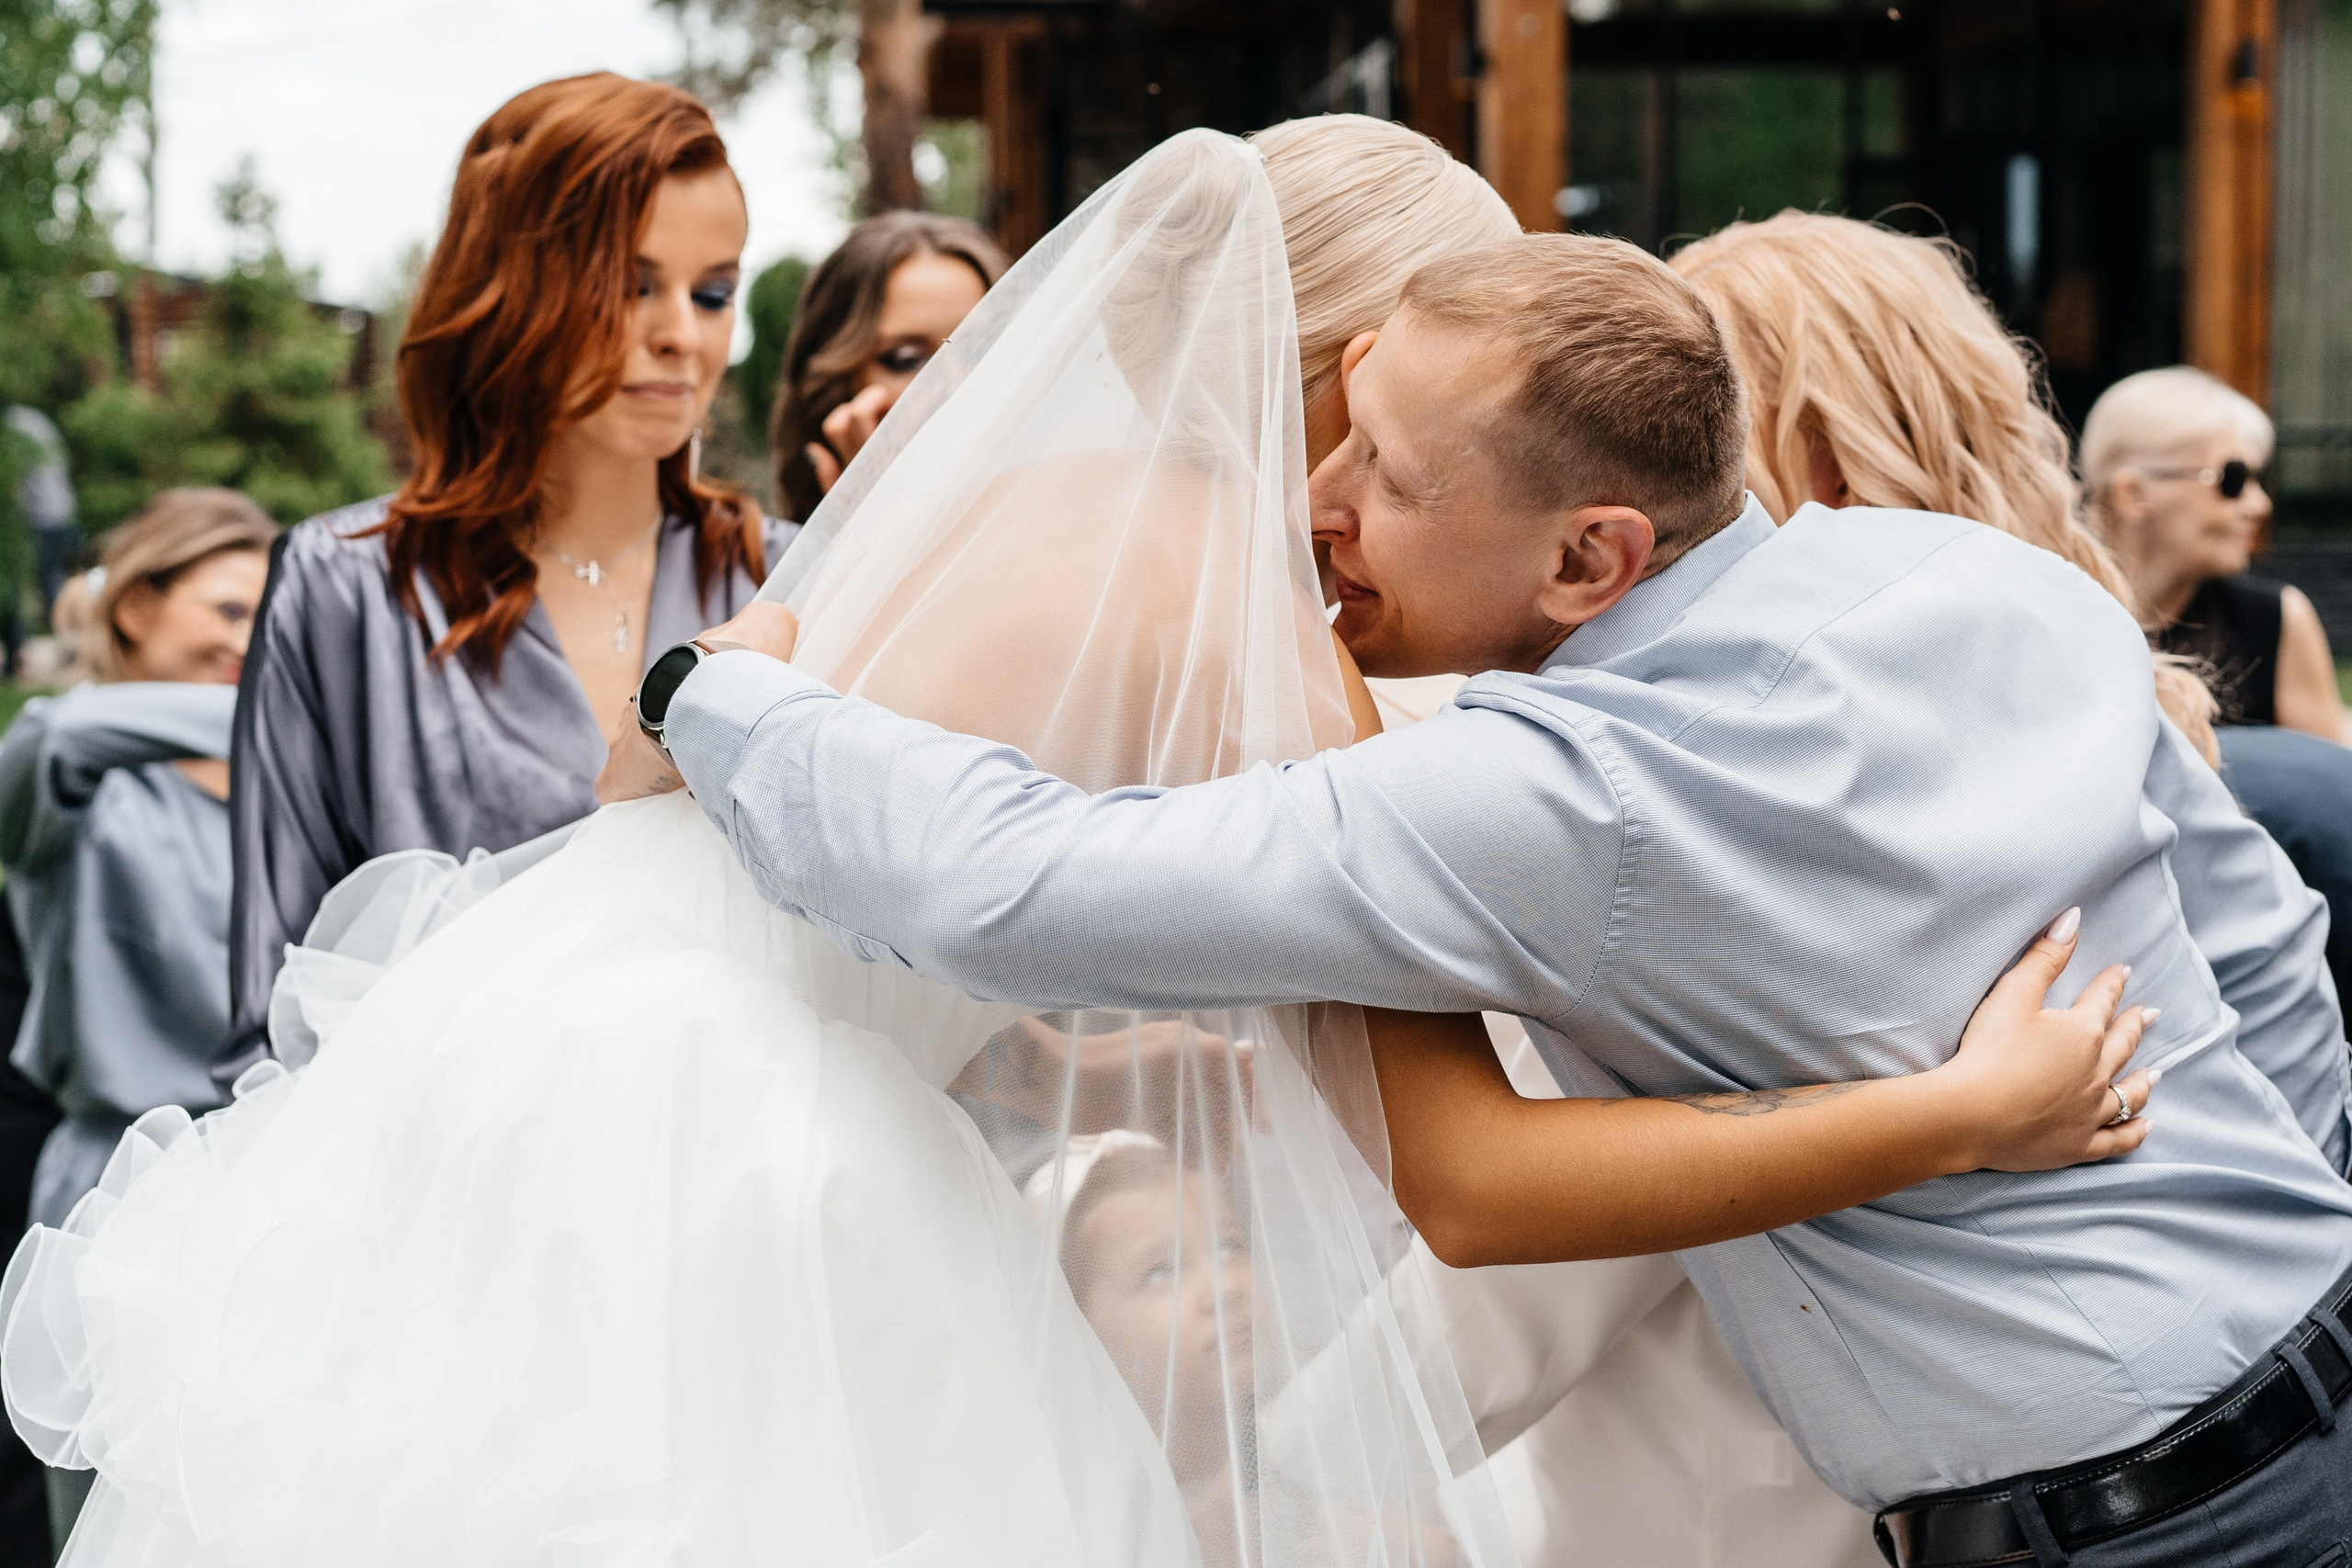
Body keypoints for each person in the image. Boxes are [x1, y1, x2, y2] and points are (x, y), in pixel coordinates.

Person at [0, 130, 2144, 1568]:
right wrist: (1939, 1110)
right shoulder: (1245, 629)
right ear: (1352, 365)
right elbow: (1464, 1178)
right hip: (762, 1156)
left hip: (533, 1060)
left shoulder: (995, 512)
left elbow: (701, 789)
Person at [622, 226, 2352, 1568]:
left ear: (1592, 554)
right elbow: (2266, 959)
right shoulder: (1984, 580)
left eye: (1385, 472)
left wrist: (722, 692)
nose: (1313, 505)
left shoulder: (1560, 796)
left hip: (2138, 1524)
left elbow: (1014, 889)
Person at [223, 73, 792, 1070]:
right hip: (408, 1147)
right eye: (630, 285)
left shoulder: (786, 578)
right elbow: (273, 1001)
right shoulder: (345, 591)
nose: (682, 334)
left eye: (713, 292)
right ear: (511, 284)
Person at [0, 488, 277, 1547]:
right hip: (112, 1192)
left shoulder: (287, 791)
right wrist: (318, 696)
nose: (252, 641)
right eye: (229, 609)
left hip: (278, 1190)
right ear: (134, 608)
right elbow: (64, 728)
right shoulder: (65, 778)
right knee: (112, 1524)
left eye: (271, 620)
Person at [2083, 367, 2341, 739]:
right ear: (2133, 494)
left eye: (2259, 479)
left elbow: (2322, 769)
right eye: (2232, 480)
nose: (2259, 505)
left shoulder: (2274, 619)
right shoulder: (2050, 613)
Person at [769, 212, 1007, 519]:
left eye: (980, 351)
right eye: (907, 359)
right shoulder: (766, 545)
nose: (957, 384)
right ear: (835, 387)